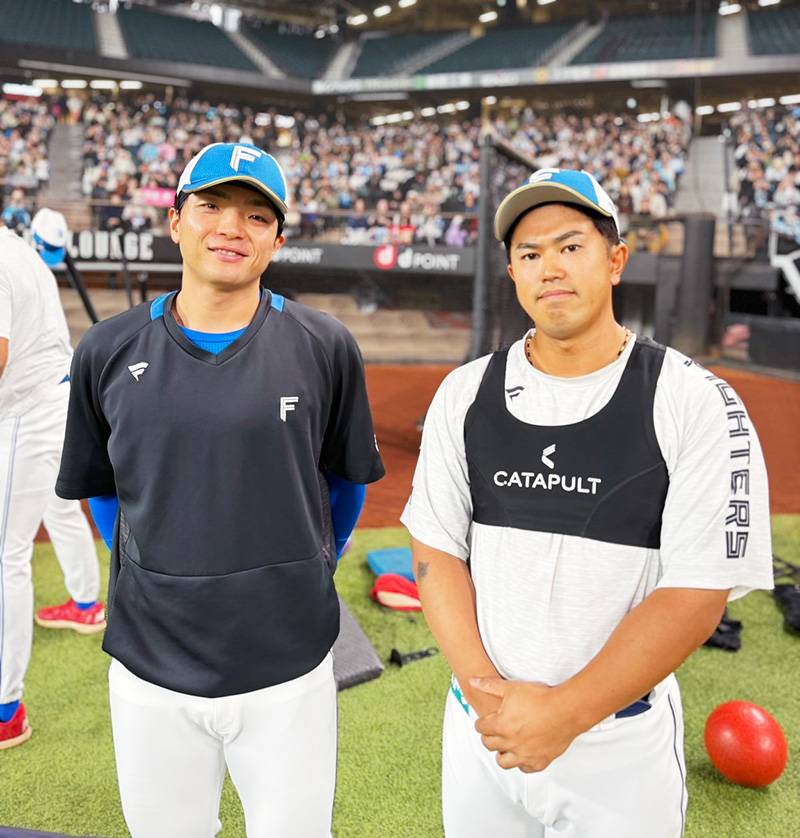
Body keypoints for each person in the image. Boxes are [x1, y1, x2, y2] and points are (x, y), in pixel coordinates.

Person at [401, 168, 773, 838]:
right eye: (529, 254)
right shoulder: (464, 392)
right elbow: (435, 550)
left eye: (571, 247)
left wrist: (565, 713)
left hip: (617, 747)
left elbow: (697, 593)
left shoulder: (693, 400)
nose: (550, 268)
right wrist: (490, 699)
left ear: (616, 260)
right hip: (483, 731)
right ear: (512, 273)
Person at [55, 142, 384, 837]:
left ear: (278, 240)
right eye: (212, 206)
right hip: (150, 663)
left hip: (289, 660)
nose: (232, 227)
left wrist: (305, 566)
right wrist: (149, 569)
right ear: (176, 221)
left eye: (256, 216)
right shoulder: (106, 349)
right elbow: (102, 489)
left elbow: (346, 485)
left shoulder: (325, 344)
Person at [0, 209, 105, 751]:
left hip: (25, 410)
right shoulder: (20, 250)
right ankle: (86, 605)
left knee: (6, 556)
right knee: (58, 508)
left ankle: (5, 710)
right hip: (53, 397)